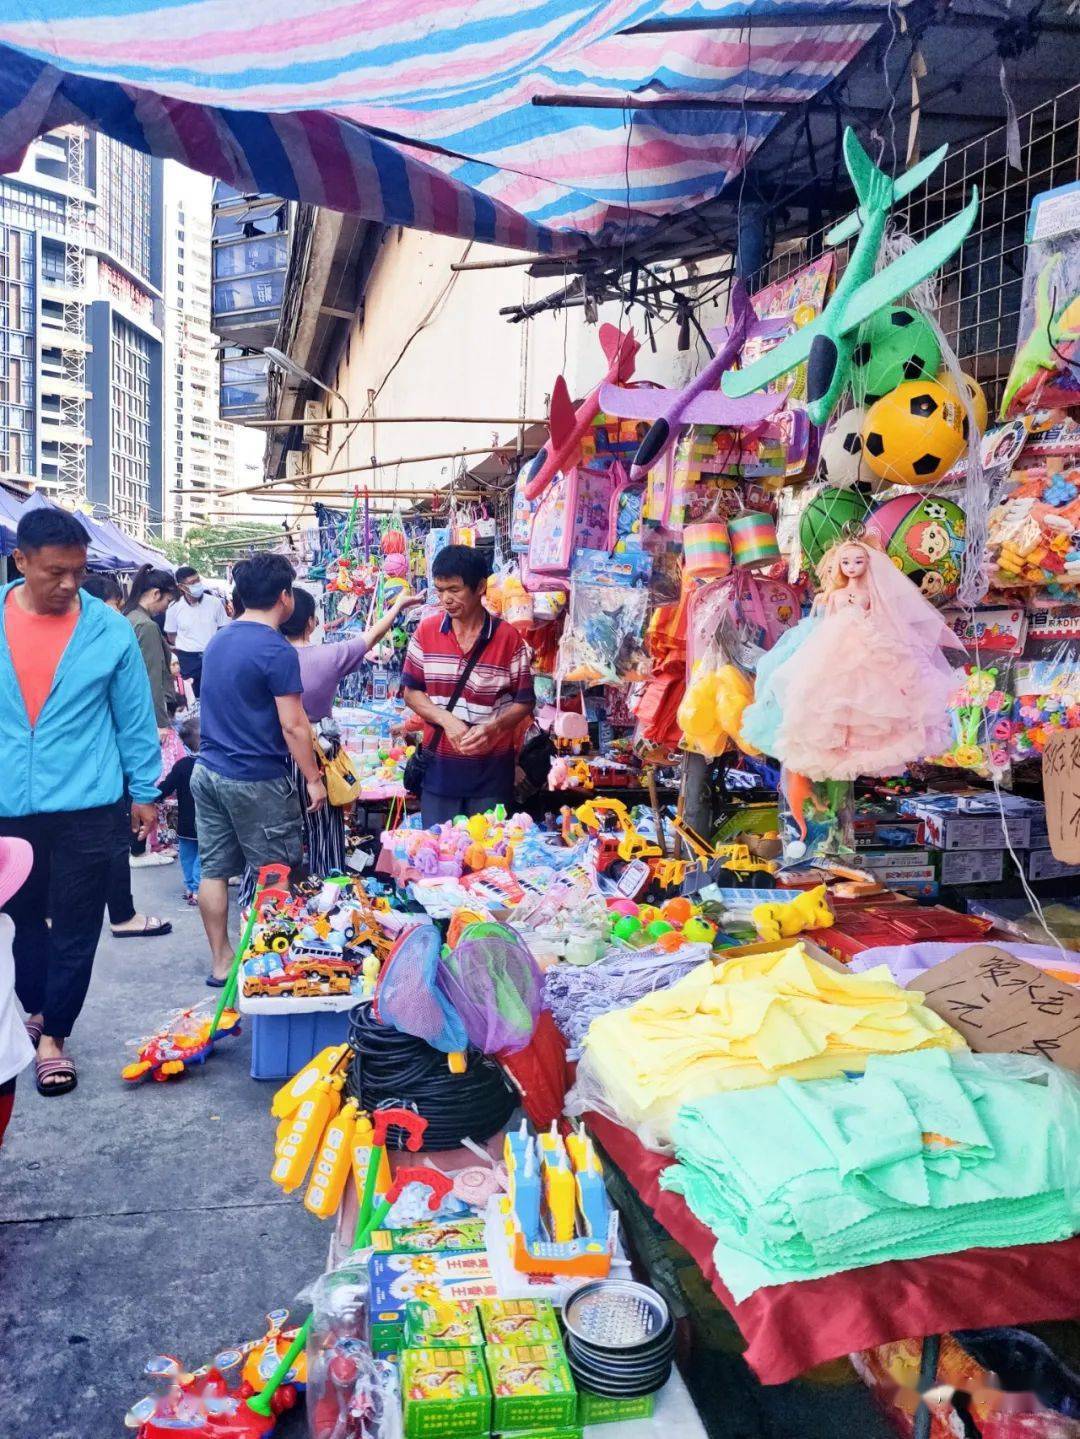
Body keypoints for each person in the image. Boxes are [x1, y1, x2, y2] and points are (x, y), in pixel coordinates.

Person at [0, 508, 161, 1095]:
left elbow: (134, 718)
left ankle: (52, 1037)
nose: (69, 584)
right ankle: (40, 1003)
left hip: (88, 805)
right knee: (18, 924)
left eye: (78, 571)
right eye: (55, 572)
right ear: (21, 562)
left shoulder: (107, 629)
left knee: (75, 923)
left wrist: (145, 791)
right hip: (8, 808)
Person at [192, 553, 327, 984]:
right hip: (255, 779)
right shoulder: (275, 649)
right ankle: (273, 965)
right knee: (275, 871)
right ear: (285, 598)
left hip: (208, 771)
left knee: (214, 870)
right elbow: (293, 726)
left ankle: (221, 962)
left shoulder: (219, 640)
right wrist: (313, 779)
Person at [279, 585, 423, 873]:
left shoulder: (269, 657)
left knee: (279, 830)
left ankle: (279, 896)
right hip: (321, 751)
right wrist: (398, 607)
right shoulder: (330, 655)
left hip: (277, 750)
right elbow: (373, 636)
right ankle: (327, 887)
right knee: (325, 829)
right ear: (312, 621)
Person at [401, 545, 535, 826]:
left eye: (454, 589)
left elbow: (524, 701)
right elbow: (411, 692)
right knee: (438, 859)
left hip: (491, 777)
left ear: (480, 587)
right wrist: (445, 719)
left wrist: (494, 727)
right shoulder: (426, 632)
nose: (446, 599)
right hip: (438, 775)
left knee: (488, 859)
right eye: (440, 591)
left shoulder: (508, 639)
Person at [81, 575, 173, 939]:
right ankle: (122, 914)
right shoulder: (124, 628)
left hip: (85, 764)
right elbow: (139, 694)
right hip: (105, 759)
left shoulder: (104, 630)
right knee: (114, 838)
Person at [165, 565, 228, 700]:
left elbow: (223, 629)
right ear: (181, 587)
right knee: (192, 696)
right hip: (188, 659)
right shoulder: (174, 607)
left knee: (216, 694)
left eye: (197, 580)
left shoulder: (215, 603)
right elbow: (171, 635)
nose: (197, 584)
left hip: (212, 655)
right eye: (192, 583)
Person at [158, 716, 200, 904]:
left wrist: (151, 798)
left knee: (187, 855)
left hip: (184, 822)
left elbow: (166, 786)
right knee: (204, 856)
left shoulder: (182, 765)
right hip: (206, 822)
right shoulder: (210, 766)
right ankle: (199, 889)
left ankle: (190, 886)